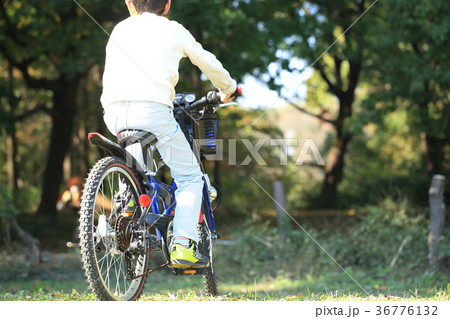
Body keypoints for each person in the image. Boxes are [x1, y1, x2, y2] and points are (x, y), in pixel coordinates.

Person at [101, 0, 237, 268]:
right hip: (152, 111)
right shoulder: (173, 29)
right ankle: (183, 246)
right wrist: (228, 87)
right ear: (167, 5)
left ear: (129, 3)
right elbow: (207, 61)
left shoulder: (119, 29)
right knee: (189, 177)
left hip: (113, 114)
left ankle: (128, 205)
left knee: (137, 168)